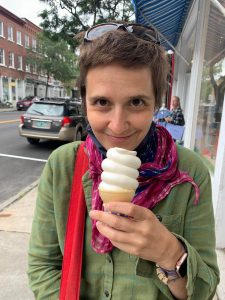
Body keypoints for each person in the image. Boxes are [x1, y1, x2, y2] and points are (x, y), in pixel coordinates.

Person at [27, 22, 219, 300]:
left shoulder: (189, 173)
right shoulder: (63, 166)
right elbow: (43, 266)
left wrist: (169, 252)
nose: (117, 126)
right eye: (102, 102)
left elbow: (205, 290)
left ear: (156, 103)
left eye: (136, 102)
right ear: (84, 103)